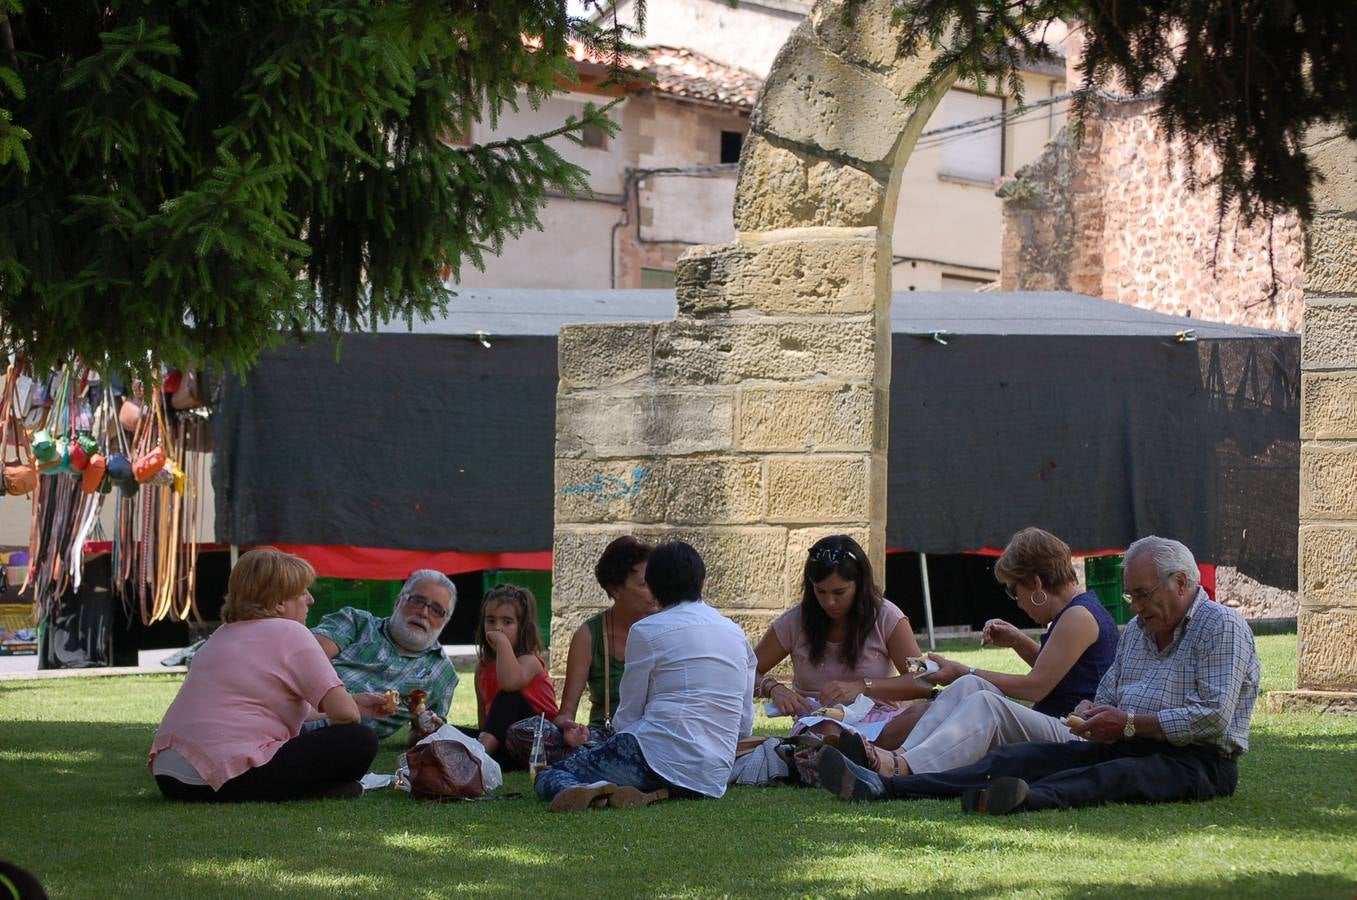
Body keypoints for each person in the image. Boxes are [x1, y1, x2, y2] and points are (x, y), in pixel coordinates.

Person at [817, 536, 1260, 815]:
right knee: (1015, 760)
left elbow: (1212, 719)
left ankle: (1016, 798)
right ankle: (894, 785)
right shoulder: (1139, 632)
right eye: (1131, 595)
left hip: (1196, 760)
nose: (1135, 606)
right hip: (1117, 737)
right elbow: (1102, 691)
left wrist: (1124, 723)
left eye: (1142, 595)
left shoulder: (1220, 626)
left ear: (1182, 584)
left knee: (1112, 778)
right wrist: (1095, 712)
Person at [840, 527, 1119, 776]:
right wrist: (1018, 641)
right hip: (1062, 725)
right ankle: (898, 757)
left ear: (1035, 583)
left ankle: (904, 768)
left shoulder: (1078, 616)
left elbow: (1037, 687)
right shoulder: (1077, 612)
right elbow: (1063, 673)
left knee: (986, 702)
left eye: (1013, 590)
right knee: (971, 685)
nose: (1017, 602)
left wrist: (964, 669)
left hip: (1079, 737)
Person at [534, 541, 756, 811]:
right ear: (703, 581)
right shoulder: (736, 633)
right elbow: (744, 725)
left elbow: (628, 717)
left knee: (547, 775)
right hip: (712, 776)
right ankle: (646, 793)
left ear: (652, 585)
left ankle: (595, 793)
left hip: (653, 755)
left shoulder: (647, 630)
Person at [148, 548, 382, 801]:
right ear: (279, 602)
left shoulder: (220, 636)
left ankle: (319, 789)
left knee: (303, 740)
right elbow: (347, 716)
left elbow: (261, 708)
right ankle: (317, 789)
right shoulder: (291, 632)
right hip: (223, 776)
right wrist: (350, 709)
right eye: (302, 592)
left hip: (170, 778)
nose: (310, 599)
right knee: (359, 740)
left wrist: (356, 701)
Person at [753, 535, 929, 740]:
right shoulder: (794, 622)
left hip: (881, 724)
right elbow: (744, 671)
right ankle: (858, 759)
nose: (830, 602)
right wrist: (772, 688)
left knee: (931, 713)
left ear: (859, 585)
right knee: (831, 732)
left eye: (840, 592)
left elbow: (924, 681)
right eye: (821, 591)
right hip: (819, 724)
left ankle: (862, 758)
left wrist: (864, 686)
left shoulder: (888, 617)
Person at [507, 537, 656, 763]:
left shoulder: (668, 627)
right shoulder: (590, 634)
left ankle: (599, 762)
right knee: (524, 732)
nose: (654, 592)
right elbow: (566, 712)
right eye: (644, 584)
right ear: (616, 590)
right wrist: (569, 729)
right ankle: (599, 759)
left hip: (655, 734)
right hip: (605, 737)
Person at [311, 569, 459, 740]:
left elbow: (420, 737)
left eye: (437, 610)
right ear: (398, 601)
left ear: (445, 621)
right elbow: (305, 660)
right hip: (305, 709)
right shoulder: (356, 621)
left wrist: (428, 728)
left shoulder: (444, 672)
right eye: (418, 601)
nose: (424, 613)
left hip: (350, 737)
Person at [465, 583, 559, 764]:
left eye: (507, 622)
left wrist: (502, 642)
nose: (497, 628)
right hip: (505, 744)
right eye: (490, 621)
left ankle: (473, 761)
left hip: (541, 743)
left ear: (522, 627)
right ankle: (466, 753)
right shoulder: (483, 668)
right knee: (446, 732)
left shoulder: (530, 661)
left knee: (508, 697)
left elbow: (509, 684)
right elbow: (486, 725)